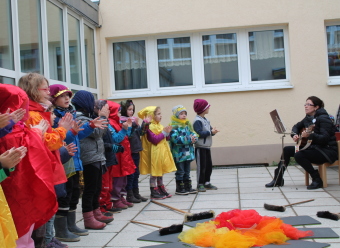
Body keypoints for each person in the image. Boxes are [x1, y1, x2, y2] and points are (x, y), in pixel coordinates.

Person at [49, 84, 108, 242]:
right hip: (63, 162)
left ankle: (71, 225)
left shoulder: (70, 113)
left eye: (68, 95)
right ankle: (61, 230)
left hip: (74, 160)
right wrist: (70, 130)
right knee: (65, 195)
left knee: (74, 193)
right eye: (62, 96)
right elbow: (60, 139)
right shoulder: (54, 116)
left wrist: (89, 126)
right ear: (54, 98)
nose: (67, 98)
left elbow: (77, 137)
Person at [0, 84, 57, 248]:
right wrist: (37, 133)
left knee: (26, 232)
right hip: (16, 191)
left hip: (23, 188)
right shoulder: (8, 133)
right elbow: (26, 150)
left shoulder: (15, 128)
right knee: (18, 231)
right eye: (20, 104)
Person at [265, 96, 338, 190]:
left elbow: (324, 138)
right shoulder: (308, 118)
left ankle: (317, 179)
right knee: (287, 150)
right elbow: (296, 126)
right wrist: (294, 134)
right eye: (305, 104)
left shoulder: (324, 119)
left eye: (309, 104)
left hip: (326, 151)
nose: (305, 106)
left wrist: (310, 136)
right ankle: (278, 179)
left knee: (299, 155)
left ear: (316, 107)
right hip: (313, 148)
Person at [71, 90, 111, 230]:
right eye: (91, 102)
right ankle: (88, 218)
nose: (94, 105)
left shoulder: (87, 117)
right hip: (89, 159)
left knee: (97, 188)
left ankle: (96, 212)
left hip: (97, 157)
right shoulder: (80, 118)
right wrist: (103, 117)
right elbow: (98, 133)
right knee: (90, 189)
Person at [138, 106, 177, 200]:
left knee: (160, 171)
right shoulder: (149, 127)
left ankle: (160, 187)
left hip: (161, 152)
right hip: (154, 153)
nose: (161, 116)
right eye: (158, 114)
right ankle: (153, 190)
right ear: (152, 115)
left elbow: (165, 138)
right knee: (154, 172)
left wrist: (168, 133)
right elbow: (154, 139)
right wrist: (164, 133)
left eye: (160, 114)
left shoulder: (159, 125)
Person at [106, 101, 135, 209]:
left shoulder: (117, 122)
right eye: (118, 112)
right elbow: (116, 139)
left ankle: (122, 196)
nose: (119, 114)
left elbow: (126, 135)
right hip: (117, 155)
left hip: (124, 155)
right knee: (117, 178)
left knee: (124, 177)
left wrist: (129, 127)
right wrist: (124, 129)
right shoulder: (110, 124)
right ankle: (115, 198)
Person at [120, 100, 148, 203]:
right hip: (129, 152)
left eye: (132, 109)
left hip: (136, 150)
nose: (131, 112)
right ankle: (130, 194)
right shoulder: (123, 121)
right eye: (129, 109)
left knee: (136, 173)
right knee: (130, 174)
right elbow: (128, 135)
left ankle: (136, 193)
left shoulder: (133, 120)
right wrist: (132, 125)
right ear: (124, 110)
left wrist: (144, 123)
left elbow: (141, 133)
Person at [169, 105, 198, 195]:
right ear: (176, 115)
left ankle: (187, 186)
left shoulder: (187, 125)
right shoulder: (174, 127)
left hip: (188, 153)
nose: (184, 115)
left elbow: (193, 133)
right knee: (180, 171)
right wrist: (189, 139)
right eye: (181, 114)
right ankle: (180, 187)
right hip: (179, 154)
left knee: (187, 171)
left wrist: (194, 138)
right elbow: (175, 139)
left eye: (185, 113)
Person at [193, 99, 219, 192]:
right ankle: (200, 184)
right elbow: (199, 133)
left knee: (208, 165)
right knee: (201, 166)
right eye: (207, 106)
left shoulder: (206, 120)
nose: (209, 108)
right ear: (203, 109)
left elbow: (209, 131)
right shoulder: (197, 121)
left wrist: (213, 132)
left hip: (207, 146)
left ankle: (207, 182)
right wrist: (210, 132)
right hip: (200, 147)